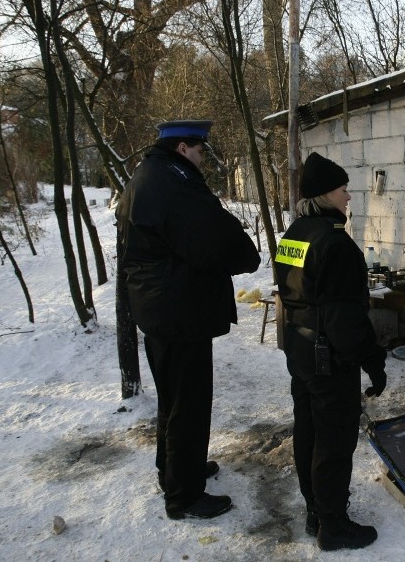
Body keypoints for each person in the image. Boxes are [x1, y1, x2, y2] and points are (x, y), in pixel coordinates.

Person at [116, 120, 261, 520]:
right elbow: (211, 238)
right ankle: (184, 496)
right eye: (200, 151)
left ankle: (176, 470)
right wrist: (247, 256)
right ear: (183, 148)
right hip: (179, 310)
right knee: (189, 403)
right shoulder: (176, 182)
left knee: (173, 398)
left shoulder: (147, 175)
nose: (203, 158)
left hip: (160, 307)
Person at [274, 152, 387, 551]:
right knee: (334, 440)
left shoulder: (294, 234)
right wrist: (373, 360)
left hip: (300, 352)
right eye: (343, 189)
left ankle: (315, 510)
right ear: (325, 194)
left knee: (308, 430)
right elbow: (346, 320)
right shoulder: (333, 243)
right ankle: (333, 525)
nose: (349, 196)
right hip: (328, 357)